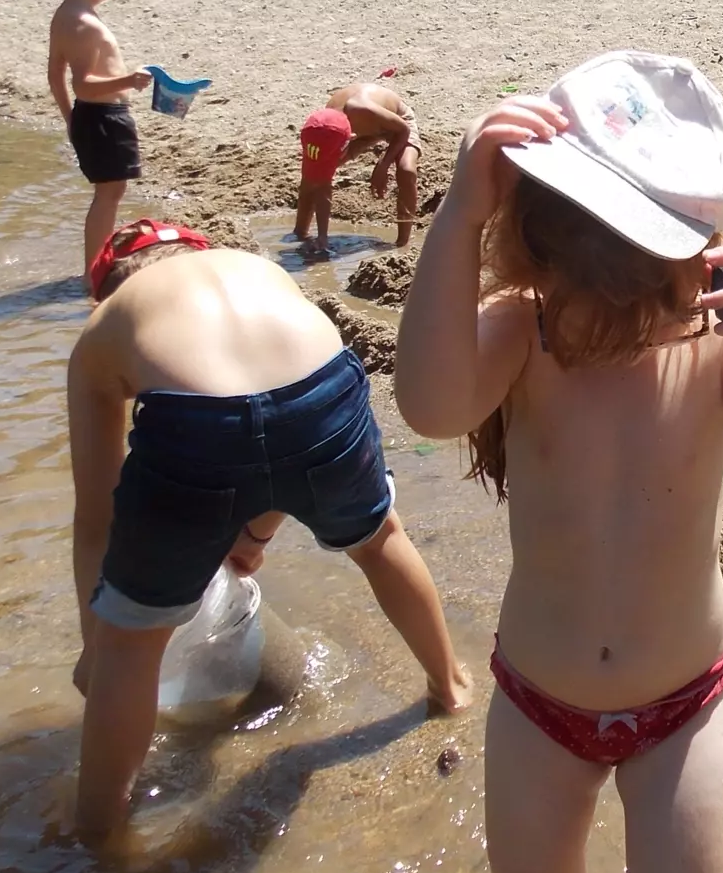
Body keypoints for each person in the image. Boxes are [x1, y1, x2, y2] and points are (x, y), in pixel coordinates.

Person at [396, 50, 723, 873]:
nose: (606, 308)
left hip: (684, 709)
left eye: (635, 279)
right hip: (536, 703)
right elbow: (428, 405)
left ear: (696, 260)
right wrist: (456, 214)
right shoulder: (521, 329)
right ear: (538, 246)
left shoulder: (721, 347)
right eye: (580, 268)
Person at [67, 218, 473, 839]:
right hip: (323, 388)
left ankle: (96, 831)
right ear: (196, 250)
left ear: (106, 290)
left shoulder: (105, 327)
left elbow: (97, 516)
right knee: (380, 539)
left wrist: (97, 642)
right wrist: (254, 535)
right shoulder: (258, 270)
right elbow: (276, 417)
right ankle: (450, 685)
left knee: (132, 640)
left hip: (195, 429)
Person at [48, 0, 151, 270]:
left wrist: (70, 119)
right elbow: (84, 84)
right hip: (105, 117)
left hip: (89, 117)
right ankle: (95, 271)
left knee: (108, 192)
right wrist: (129, 79)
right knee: (108, 195)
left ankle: (96, 265)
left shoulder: (63, 17)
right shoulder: (86, 24)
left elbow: (55, 75)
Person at [291, 73, 423, 254]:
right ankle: (300, 232)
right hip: (357, 129)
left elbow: (403, 130)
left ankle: (402, 244)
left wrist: (383, 165)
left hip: (396, 123)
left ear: (350, 140)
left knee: (406, 169)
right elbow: (322, 184)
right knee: (311, 178)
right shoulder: (318, 129)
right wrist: (322, 237)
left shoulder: (361, 109)